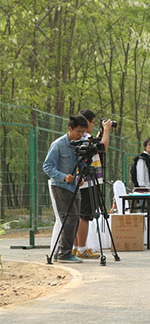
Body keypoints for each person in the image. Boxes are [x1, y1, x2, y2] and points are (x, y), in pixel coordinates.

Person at [43, 115, 89, 263]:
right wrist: (63, 176)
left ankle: (60, 251)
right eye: (79, 131)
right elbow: (47, 166)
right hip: (61, 186)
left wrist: (81, 176)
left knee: (74, 218)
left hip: (74, 186)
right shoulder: (58, 144)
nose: (81, 135)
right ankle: (64, 253)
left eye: (83, 132)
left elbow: (81, 162)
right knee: (69, 218)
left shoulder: (79, 143)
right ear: (70, 128)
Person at [73, 110, 113, 259]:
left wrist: (100, 133)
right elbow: (103, 147)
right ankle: (82, 248)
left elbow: (94, 146)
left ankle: (77, 247)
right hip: (88, 181)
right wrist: (107, 132)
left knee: (80, 214)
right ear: (87, 122)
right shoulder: (85, 136)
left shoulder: (81, 136)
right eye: (93, 122)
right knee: (85, 215)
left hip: (82, 181)